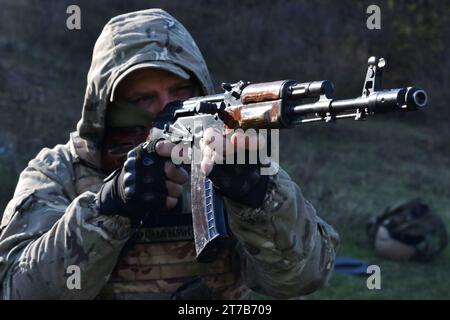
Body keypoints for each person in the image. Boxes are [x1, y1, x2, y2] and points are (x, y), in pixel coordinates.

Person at [0, 8, 339, 300]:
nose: (167, 107)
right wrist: (109, 207)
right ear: (106, 108)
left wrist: (256, 198)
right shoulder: (58, 172)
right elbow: (17, 289)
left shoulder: (231, 159)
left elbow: (304, 276)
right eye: (143, 99)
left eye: (180, 91)